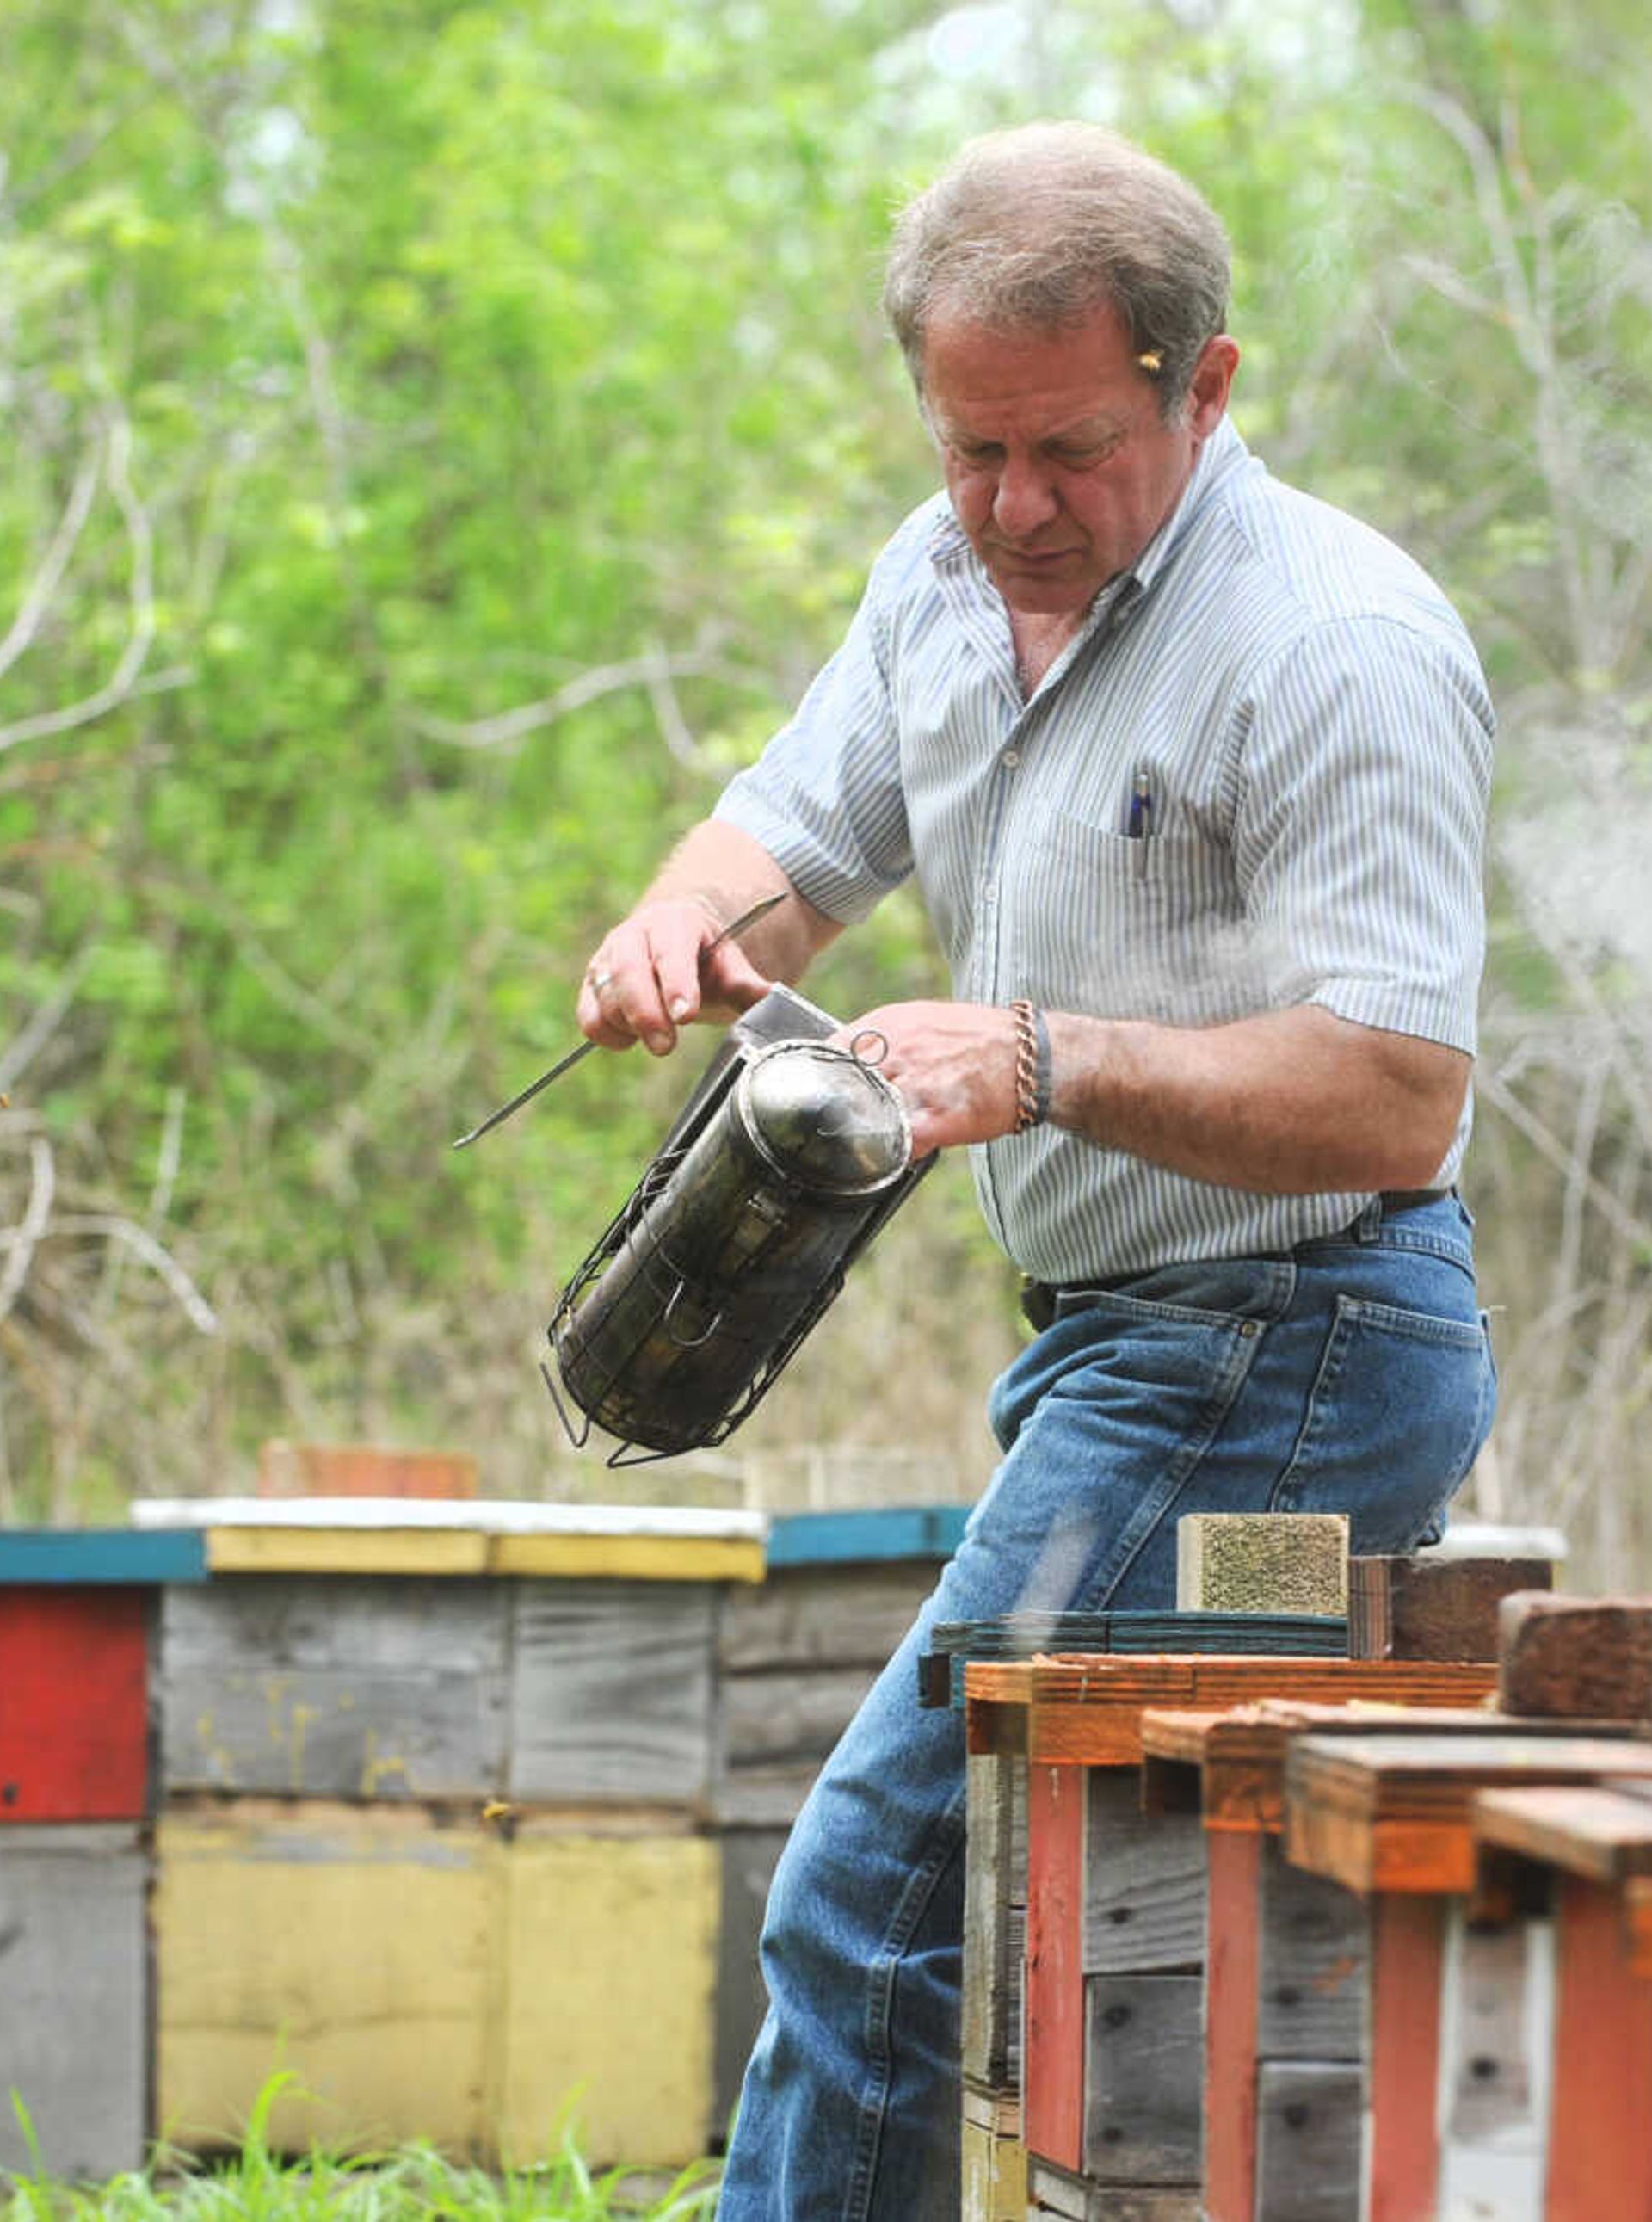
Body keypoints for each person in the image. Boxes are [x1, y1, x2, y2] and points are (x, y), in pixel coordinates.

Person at [574, 120, 1498, 2222]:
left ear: (1210, 383)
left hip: (1297, 1353)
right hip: (1129, 1353)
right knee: (1126, 1946)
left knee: (879, 1896)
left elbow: (1394, 1092)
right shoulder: (943, 571)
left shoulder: (1339, 642)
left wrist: (1041, 1055)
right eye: (968, 448)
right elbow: (794, 849)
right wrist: (678, 923)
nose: (1012, 507)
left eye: (1068, 450)